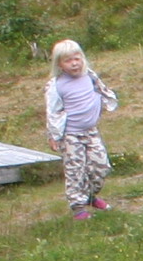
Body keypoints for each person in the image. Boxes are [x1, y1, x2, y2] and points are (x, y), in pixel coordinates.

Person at [43, 39, 118, 220]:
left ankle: (90, 196)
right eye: (68, 61)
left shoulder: (89, 76)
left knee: (101, 166)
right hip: (70, 135)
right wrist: (53, 135)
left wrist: (104, 103)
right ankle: (78, 207)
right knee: (75, 170)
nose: (74, 63)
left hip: (91, 131)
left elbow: (100, 91)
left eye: (77, 59)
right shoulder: (57, 85)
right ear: (59, 64)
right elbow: (52, 111)